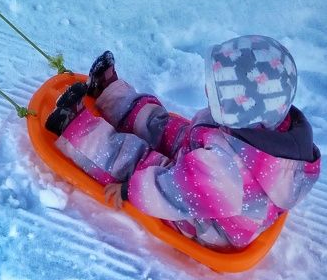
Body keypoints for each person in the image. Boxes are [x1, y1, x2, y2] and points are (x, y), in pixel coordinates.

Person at [46, 36, 320, 249]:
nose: (205, 91)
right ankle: (111, 94)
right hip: (217, 167)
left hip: (206, 216)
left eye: (217, 93)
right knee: (166, 128)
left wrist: (131, 190)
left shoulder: (227, 170)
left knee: (140, 163)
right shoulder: (266, 121)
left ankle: (75, 129)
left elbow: (174, 190)